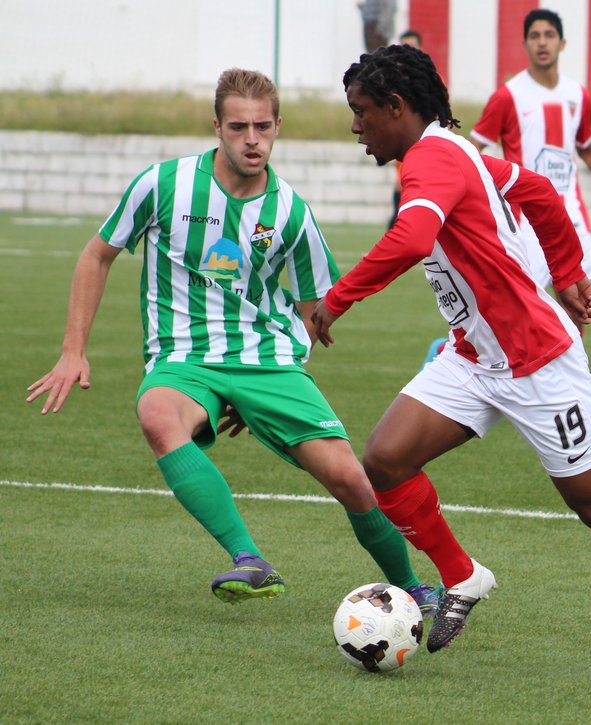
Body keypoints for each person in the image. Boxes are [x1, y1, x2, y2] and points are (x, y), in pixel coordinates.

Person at [310, 44, 591, 685]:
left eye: (361, 111)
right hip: (475, 356)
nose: (355, 127)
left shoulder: (432, 158)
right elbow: (541, 192)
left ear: (397, 106)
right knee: (384, 459)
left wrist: (335, 301)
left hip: (539, 362)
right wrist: (567, 272)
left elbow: (412, 238)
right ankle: (462, 576)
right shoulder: (458, 152)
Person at [25, 68, 438, 615]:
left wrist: (289, 360)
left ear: (277, 126)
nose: (252, 139)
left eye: (262, 127)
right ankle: (249, 558)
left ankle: (415, 588)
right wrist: (73, 349)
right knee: (157, 414)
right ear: (217, 126)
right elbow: (97, 255)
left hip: (266, 360)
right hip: (184, 356)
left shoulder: (290, 211)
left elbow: (315, 310)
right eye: (239, 127)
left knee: (352, 481)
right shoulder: (164, 184)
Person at [470, 8, 591, 290]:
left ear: (562, 43)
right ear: (524, 44)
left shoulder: (578, 94)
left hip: (572, 217)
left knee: (582, 305)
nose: (542, 42)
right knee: (526, 305)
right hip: (526, 222)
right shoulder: (507, 96)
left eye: (549, 35)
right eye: (535, 36)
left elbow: (587, 149)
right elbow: (472, 150)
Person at [388, 29, 424, 229]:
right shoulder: (393, 84)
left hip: (424, 155)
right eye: (404, 48)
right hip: (404, 159)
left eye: (412, 48)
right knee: (400, 216)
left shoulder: (431, 82)